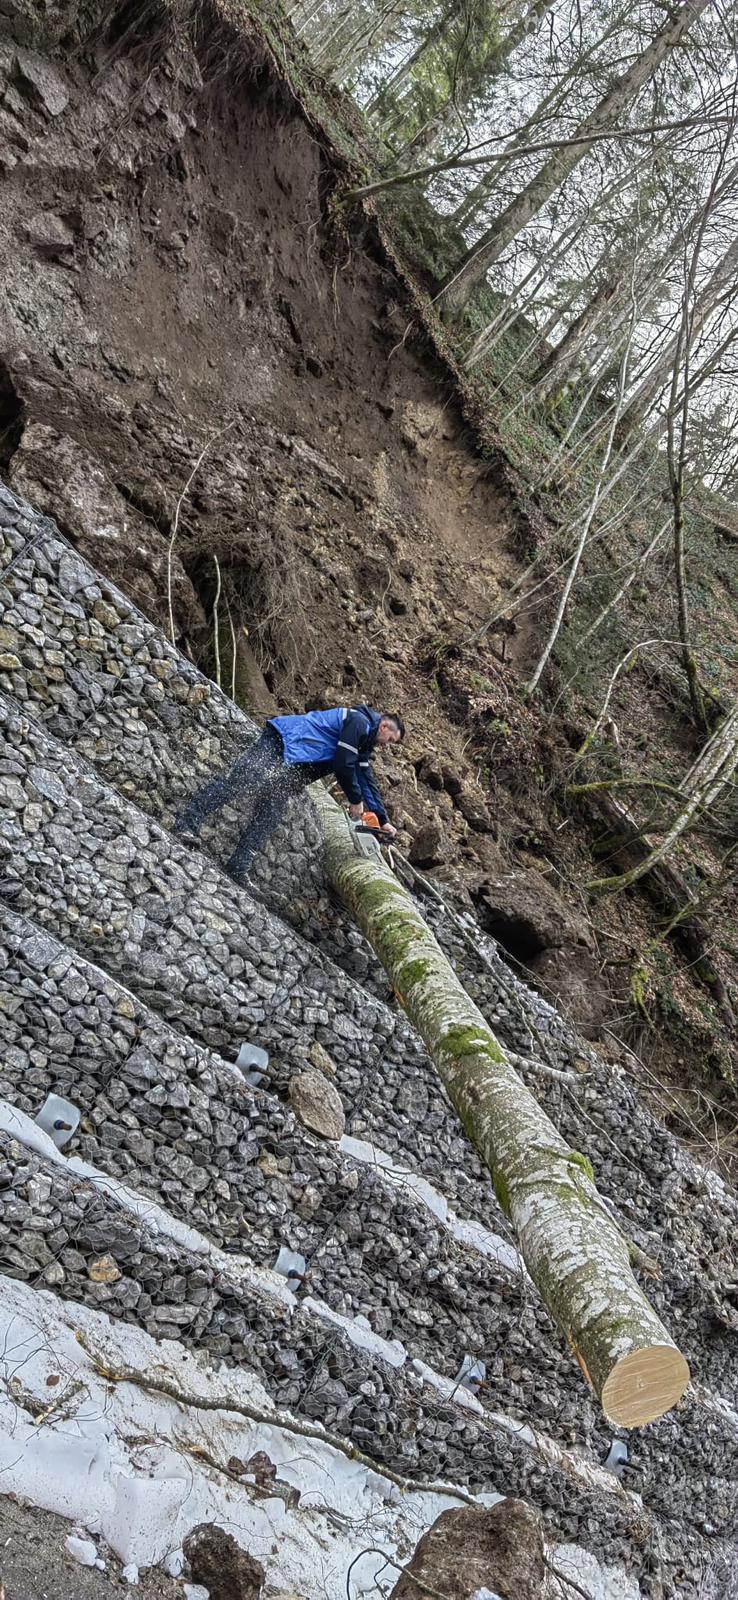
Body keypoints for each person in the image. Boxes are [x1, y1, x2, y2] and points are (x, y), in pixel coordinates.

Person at [174, 704, 404, 882]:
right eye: (391, 740)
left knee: (272, 810)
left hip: (293, 760)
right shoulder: (359, 722)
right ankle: (186, 824)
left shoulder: (364, 744)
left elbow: (366, 779)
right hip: (282, 741)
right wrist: (355, 801)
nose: (388, 746)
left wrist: (381, 820)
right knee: (238, 783)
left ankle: (238, 865)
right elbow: (344, 764)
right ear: (384, 726)